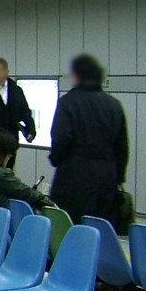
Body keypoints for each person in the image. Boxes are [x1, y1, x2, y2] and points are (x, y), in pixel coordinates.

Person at [49, 54, 129, 225]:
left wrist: (56, 160)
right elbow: (122, 147)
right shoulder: (114, 105)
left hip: (73, 176)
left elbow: (61, 139)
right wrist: (117, 177)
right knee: (100, 229)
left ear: (77, 76)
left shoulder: (68, 102)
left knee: (71, 229)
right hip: (106, 178)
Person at [0, 128, 53, 209]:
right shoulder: (2, 175)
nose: (10, 156)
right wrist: (48, 202)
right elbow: (25, 192)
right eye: (8, 153)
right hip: (6, 219)